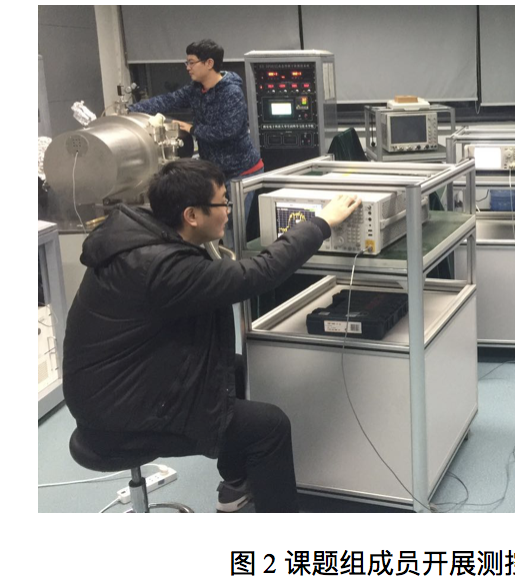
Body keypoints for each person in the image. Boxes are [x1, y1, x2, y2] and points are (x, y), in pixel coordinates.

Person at [62, 159, 360, 512]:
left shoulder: (140, 237)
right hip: (121, 416)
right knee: (270, 426)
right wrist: (321, 223)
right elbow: (259, 273)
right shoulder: (162, 267)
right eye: (222, 202)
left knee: (239, 369)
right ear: (191, 215)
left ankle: (235, 484)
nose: (229, 210)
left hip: (116, 386)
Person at [128, 39, 264, 223]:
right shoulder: (195, 90)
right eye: (187, 63)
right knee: (217, 226)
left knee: (235, 228)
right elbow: (168, 100)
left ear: (209, 63)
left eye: (191, 62)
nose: (188, 67)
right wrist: (131, 110)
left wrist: (192, 129)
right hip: (217, 173)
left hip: (242, 173)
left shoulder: (231, 92)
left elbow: (227, 131)